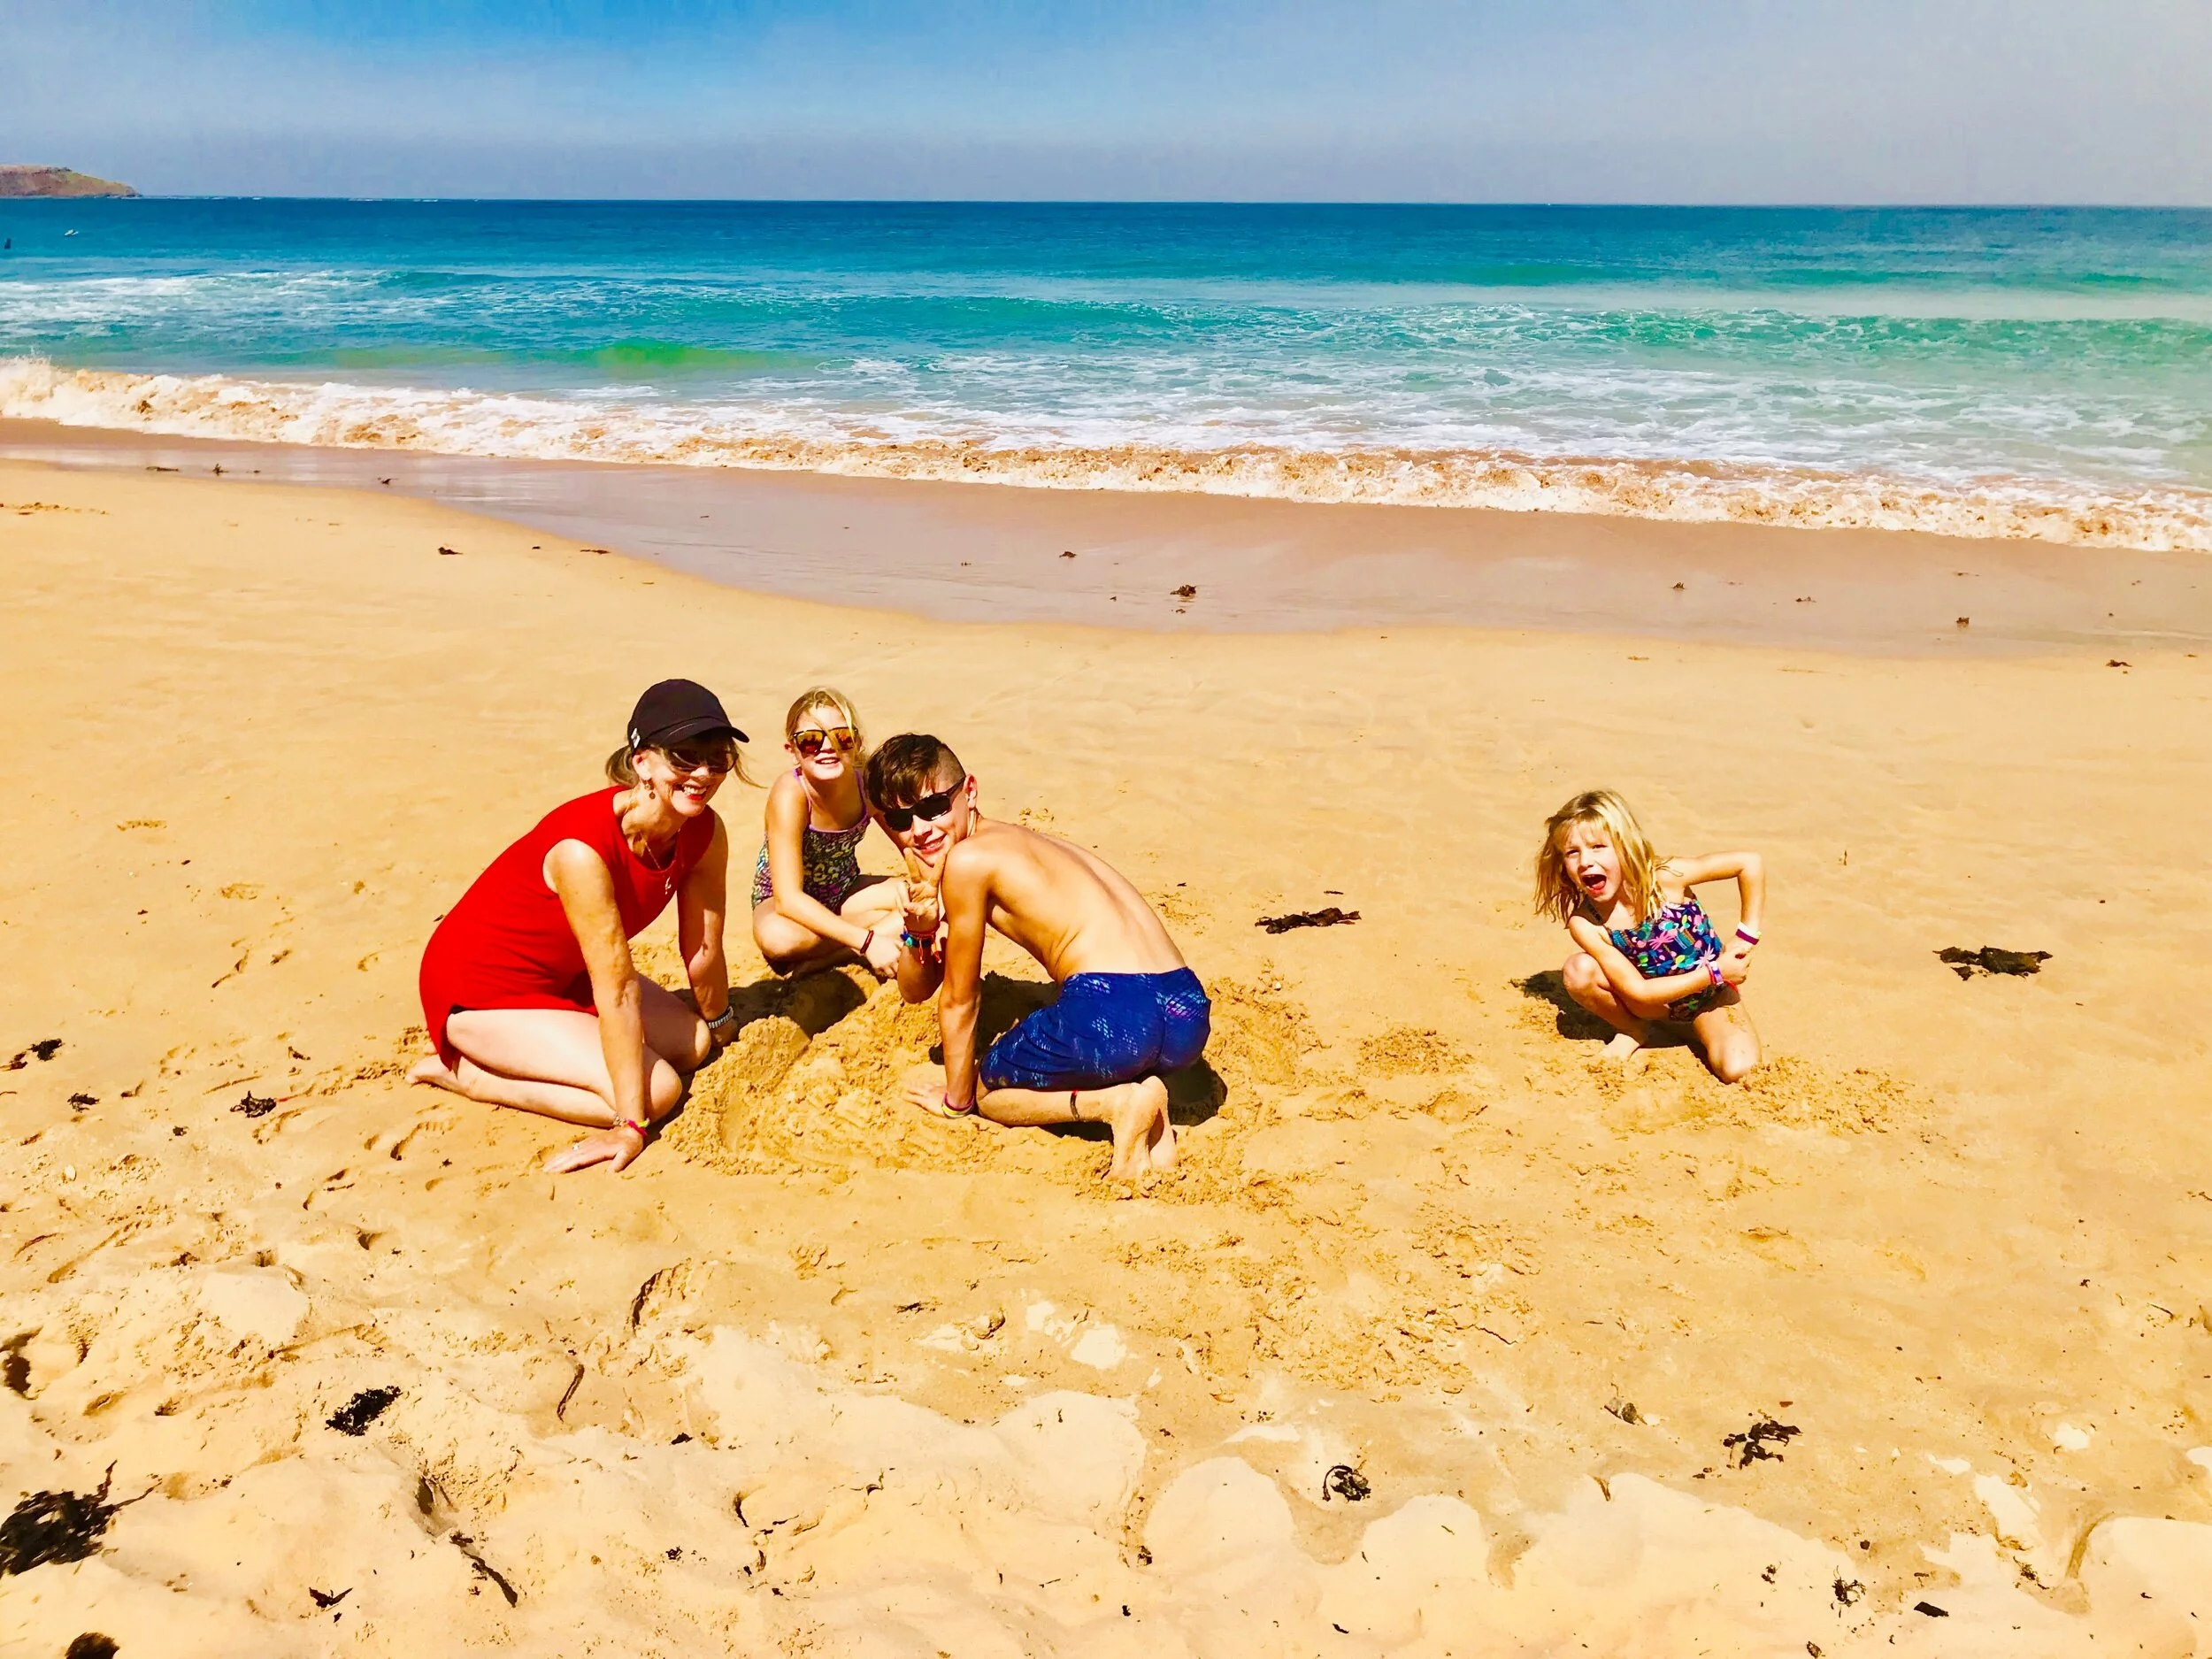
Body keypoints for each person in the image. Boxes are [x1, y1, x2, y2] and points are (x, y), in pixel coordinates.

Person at [411, 680, 748, 1171]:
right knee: (658, 1092)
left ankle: (539, 1050)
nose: (703, 773)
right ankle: (470, 1075)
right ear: (643, 762)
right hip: (484, 990)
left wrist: (720, 1024)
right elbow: (615, 990)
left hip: (568, 974)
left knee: (692, 1044)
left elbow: (702, 948)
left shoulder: (704, 832)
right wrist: (629, 1125)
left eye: (718, 758)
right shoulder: (582, 851)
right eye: (683, 757)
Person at [867, 733, 1209, 1178]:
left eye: (933, 808)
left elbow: (958, 997)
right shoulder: (1018, 840)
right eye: (900, 819)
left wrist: (957, 1101)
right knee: (1119, 1039)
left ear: (970, 791)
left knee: (986, 1092)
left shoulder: (967, 862)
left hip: (1114, 1012)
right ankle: (1153, 1113)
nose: (920, 830)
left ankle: (1117, 1102)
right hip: (1185, 1009)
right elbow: (919, 984)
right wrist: (920, 928)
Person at [1535, 787, 1764, 1081]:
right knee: (1579, 971)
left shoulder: (1666, 878)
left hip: (1710, 997)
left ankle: (1699, 1030)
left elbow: (1750, 864)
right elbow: (1638, 991)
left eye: (1598, 847)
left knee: (1739, 1070)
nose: (1585, 861)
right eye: (1572, 852)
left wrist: (1746, 937)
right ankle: (1634, 1030)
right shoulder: (1587, 922)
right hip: (1656, 1005)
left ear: (1624, 845)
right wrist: (1716, 971)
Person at [749, 687, 905, 979]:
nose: (827, 748)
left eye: (840, 737)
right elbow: (789, 899)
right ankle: (863, 936)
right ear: (792, 750)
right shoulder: (791, 794)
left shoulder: (867, 786)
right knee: (779, 940)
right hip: (784, 903)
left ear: (856, 742)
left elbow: (908, 845)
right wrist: (869, 941)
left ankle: (838, 952)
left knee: (927, 898)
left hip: (843, 891)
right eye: (810, 741)